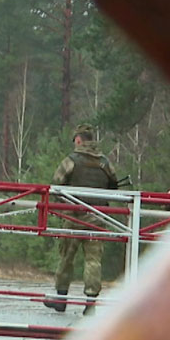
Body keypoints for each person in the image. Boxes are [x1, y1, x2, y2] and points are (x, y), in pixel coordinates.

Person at [44, 124, 119, 316]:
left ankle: (61, 299)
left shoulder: (71, 161)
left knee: (66, 258)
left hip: (73, 216)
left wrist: (63, 207)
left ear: (78, 140)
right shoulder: (105, 163)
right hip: (97, 217)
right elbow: (114, 186)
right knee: (93, 260)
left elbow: (56, 184)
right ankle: (90, 303)